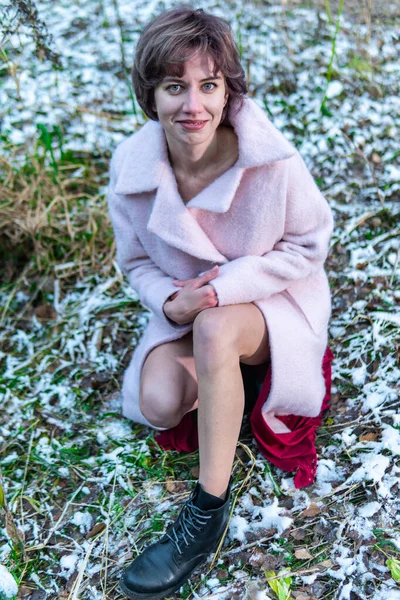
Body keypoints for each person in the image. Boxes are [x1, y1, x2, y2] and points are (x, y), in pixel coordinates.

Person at [107, 6, 334, 599]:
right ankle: (226, 385)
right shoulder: (133, 169)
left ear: (228, 90)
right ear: (149, 94)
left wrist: (220, 292)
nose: (194, 106)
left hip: (270, 304)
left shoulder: (270, 161)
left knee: (215, 333)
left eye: (209, 85)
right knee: (158, 403)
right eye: (174, 87)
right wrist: (171, 301)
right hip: (190, 313)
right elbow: (134, 263)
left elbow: (309, 245)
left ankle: (206, 513)